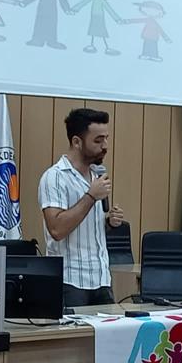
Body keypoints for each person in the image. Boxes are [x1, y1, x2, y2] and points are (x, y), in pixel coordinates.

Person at [38, 108, 125, 307]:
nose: (105, 146)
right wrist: (91, 196)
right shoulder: (55, 177)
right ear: (77, 142)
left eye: (106, 138)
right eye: (98, 140)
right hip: (70, 281)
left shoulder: (97, 175)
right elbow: (56, 229)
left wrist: (109, 222)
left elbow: (87, 228)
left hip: (101, 278)